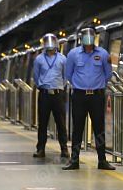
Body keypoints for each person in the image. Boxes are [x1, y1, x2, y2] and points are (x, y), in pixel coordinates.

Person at [63, 25, 115, 170]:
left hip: (97, 96)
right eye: (85, 35)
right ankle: (74, 160)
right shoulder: (73, 54)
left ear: (95, 37)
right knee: (77, 128)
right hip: (79, 95)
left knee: (99, 128)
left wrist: (97, 85)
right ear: (81, 38)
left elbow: (108, 74)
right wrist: (80, 85)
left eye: (91, 35)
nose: (88, 38)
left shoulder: (103, 54)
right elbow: (68, 74)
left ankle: (102, 160)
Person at [32, 33, 70, 158]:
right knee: (42, 123)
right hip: (44, 95)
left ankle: (64, 149)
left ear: (56, 43)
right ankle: (40, 149)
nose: (50, 44)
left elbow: (65, 76)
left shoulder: (62, 59)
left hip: (58, 94)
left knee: (61, 123)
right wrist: (43, 86)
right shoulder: (39, 59)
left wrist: (59, 86)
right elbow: (36, 77)